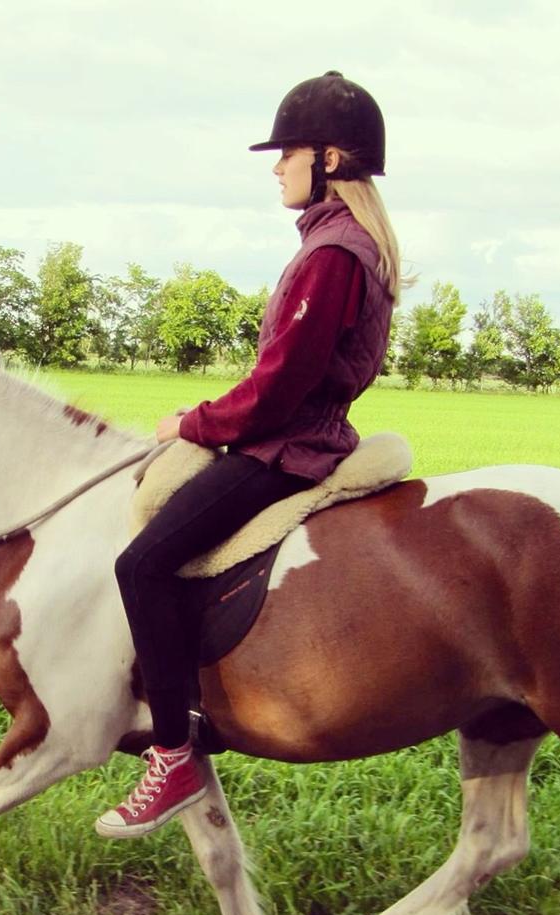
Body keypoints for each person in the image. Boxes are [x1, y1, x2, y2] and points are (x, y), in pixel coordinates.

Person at [95, 70, 404, 838]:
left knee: (141, 564)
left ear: (329, 159)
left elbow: (275, 391)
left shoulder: (334, 253)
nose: (275, 167)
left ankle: (173, 754)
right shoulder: (337, 245)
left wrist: (192, 423)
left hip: (288, 449)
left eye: (286, 153)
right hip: (294, 435)